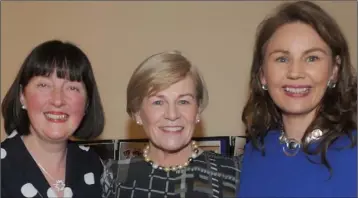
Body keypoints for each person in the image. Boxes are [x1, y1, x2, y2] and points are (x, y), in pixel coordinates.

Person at [238, 1, 357, 197]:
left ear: (334, 71)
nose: (295, 73)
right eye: (282, 59)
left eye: (312, 58)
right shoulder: (256, 151)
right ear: (263, 75)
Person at [101, 51, 240, 198]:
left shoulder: (232, 173)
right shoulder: (114, 177)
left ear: (198, 110)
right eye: (158, 102)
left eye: (183, 101)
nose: (172, 115)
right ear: (137, 113)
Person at [1, 40, 105, 198]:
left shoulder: (94, 165)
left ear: (87, 103)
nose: (57, 100)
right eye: (44, 85)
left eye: (72, 87)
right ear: (22, 96)